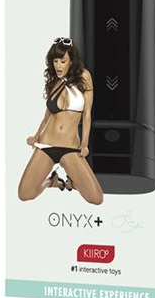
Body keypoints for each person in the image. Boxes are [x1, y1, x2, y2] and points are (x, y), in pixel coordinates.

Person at [18, 37, 104, 204]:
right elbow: (47, 117)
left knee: (96, 198)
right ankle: (52, 182)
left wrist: (84, 144)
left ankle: (72, 182)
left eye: (63, 61)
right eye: (55, 61)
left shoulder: (84, 76)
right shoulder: (54, 82)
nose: (58, 65)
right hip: (46, 145)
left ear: (71, 61)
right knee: (25, 194)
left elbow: (87, 114)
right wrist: (35, 137)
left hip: (70, 148)